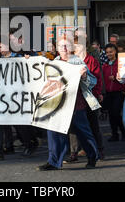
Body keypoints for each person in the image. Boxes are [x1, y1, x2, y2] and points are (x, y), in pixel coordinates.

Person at [37, 37, 99, 171]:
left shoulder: (78, 62)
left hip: (76, 103)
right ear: (57, 48)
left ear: (71, 48)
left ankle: (92, 156)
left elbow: (93, 82)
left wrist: (84, 76)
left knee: (82, 131)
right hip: (58, 104)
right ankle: (53, 161)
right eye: (61, 46)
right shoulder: (53, 63)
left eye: (66, 46)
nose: (64, 48)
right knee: (53, 130)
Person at [65, 35, 105, 163]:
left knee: (93, 124)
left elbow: (98, 78)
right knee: (73, 127)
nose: (76, 47)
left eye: (78, 45)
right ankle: (73, 152)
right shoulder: (70, 60)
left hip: (89, 96)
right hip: (75, 97)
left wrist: (98, 93)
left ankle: (99, 150)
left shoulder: (92, 60)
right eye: (75, 45)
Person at [0, 35, 21, 161]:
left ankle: (28, 143)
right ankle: (0, 150)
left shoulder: (18, 58)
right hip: (2, 97)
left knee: (19, 124)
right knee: (0, 123)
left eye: (1, 46)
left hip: (15, 97)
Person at [102, 43, 125, 141]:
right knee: (111, 114)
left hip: (119, 92)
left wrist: (116, 79)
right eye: (107, 52)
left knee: (116, 113)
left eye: (111, 52)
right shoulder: (105, 65)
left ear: (115, 52)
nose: (109, 54)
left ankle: (123, 131)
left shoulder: (121, 63)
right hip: (108, 93)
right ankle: (115, 134)